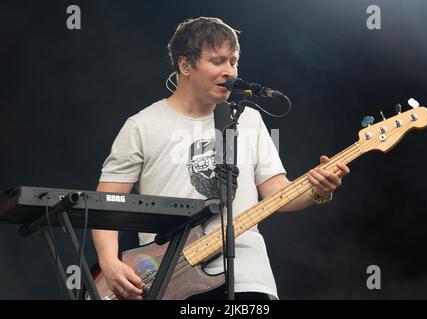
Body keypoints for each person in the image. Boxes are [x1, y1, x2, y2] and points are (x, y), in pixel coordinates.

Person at [91, 16, 350, 300]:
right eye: (217, 61)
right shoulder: (142, 125)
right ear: (185, 65)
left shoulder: (249, 119)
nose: (229, 71)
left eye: (233, 61)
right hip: (169, 274)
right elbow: (106, 202)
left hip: (247, 274)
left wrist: (317, 191)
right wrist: (109, 261)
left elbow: (276, 192)